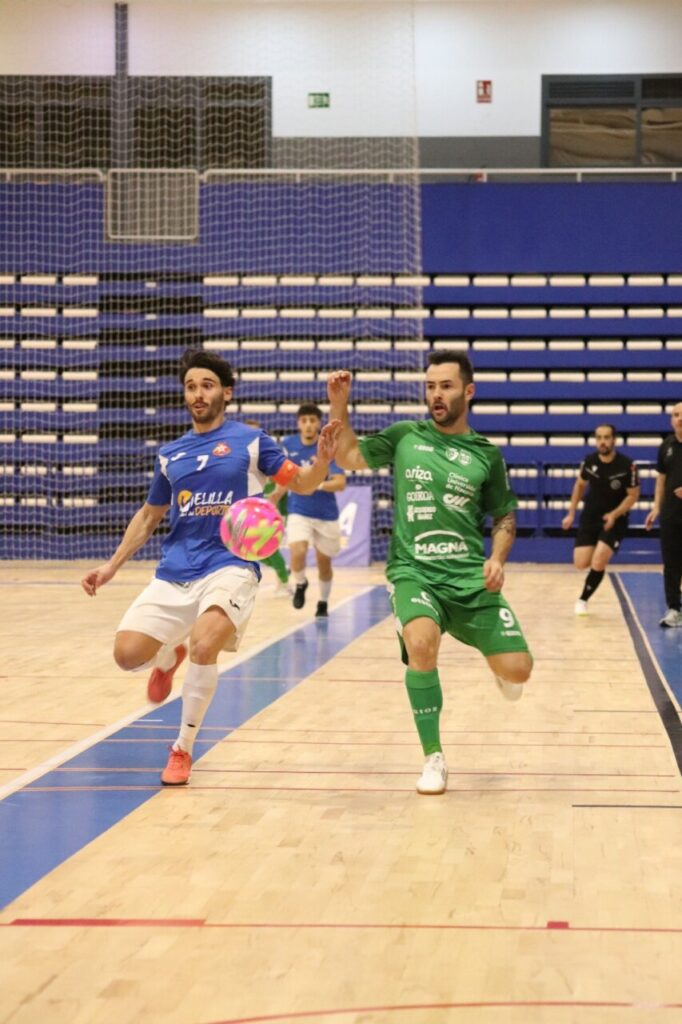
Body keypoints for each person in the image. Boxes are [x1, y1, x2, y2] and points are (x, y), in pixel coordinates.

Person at [81, 350, 341, 786]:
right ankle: (167, 654)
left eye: (206, 385)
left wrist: (322, 462)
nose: (198, 393)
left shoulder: (253, 441)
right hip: (176, 569)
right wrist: (111, 567)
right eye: (190, 386)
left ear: (226, 392)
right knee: (126, 657)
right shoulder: (171, 454)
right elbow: (148, 516)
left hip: (231, 565)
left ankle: (182, 748)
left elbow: (303, 483)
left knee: (205, 646)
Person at [327, 351, 532, 796]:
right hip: (413, 571)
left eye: (446, 386)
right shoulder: (405, 437)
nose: (436, 395)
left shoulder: (486, 455)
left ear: (468, 392)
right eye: (431, 386)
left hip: (468, 579)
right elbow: (350, 458)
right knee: (421, 643)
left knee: (519, 672)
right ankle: (433, 758)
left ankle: (496, 660)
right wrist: (340, 403)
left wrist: (497, 558)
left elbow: (504, 518)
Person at [269, 403, 346, 618]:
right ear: (298, 424)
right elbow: (286, 478)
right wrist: (275, 495)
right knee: (297, 551)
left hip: (326, 514)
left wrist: (315, 481)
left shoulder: (329, 446)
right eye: (304, 421)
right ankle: (300, 583)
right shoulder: (289, 445)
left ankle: (322, 602)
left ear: (319, 423)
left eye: (313, 420)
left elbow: (340, 483)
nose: (309, 425)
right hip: (299, 510)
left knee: (324, 563)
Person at [561, 424, 640, 616]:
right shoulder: (589, 461)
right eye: (599, 438)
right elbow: (579, 485)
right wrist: (571, 513)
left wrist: (614, 514)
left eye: (606, 437)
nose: (602, 442)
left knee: (598, 561)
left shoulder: (627, 465)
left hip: (615, 519)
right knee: (581, 563)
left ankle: (582, 600)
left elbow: (633, 495)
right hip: (590, 517)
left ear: (614, 440)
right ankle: (592, 577)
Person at [243, 417, 291, 597]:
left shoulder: (268, 452)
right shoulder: (243, 457)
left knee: (269, 548)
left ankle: (285, 584)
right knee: (257, 552)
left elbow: (286, 479)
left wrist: (274, 497)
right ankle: (283, 569)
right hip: (254, 509)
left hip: (273, 509)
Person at [645, 402, 682, 627]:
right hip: (671, 514)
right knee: (671, 563)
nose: (680, 418)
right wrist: (657, 507)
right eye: (676, 415)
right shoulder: (666, 446)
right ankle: (674, 609)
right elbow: (661, 479)